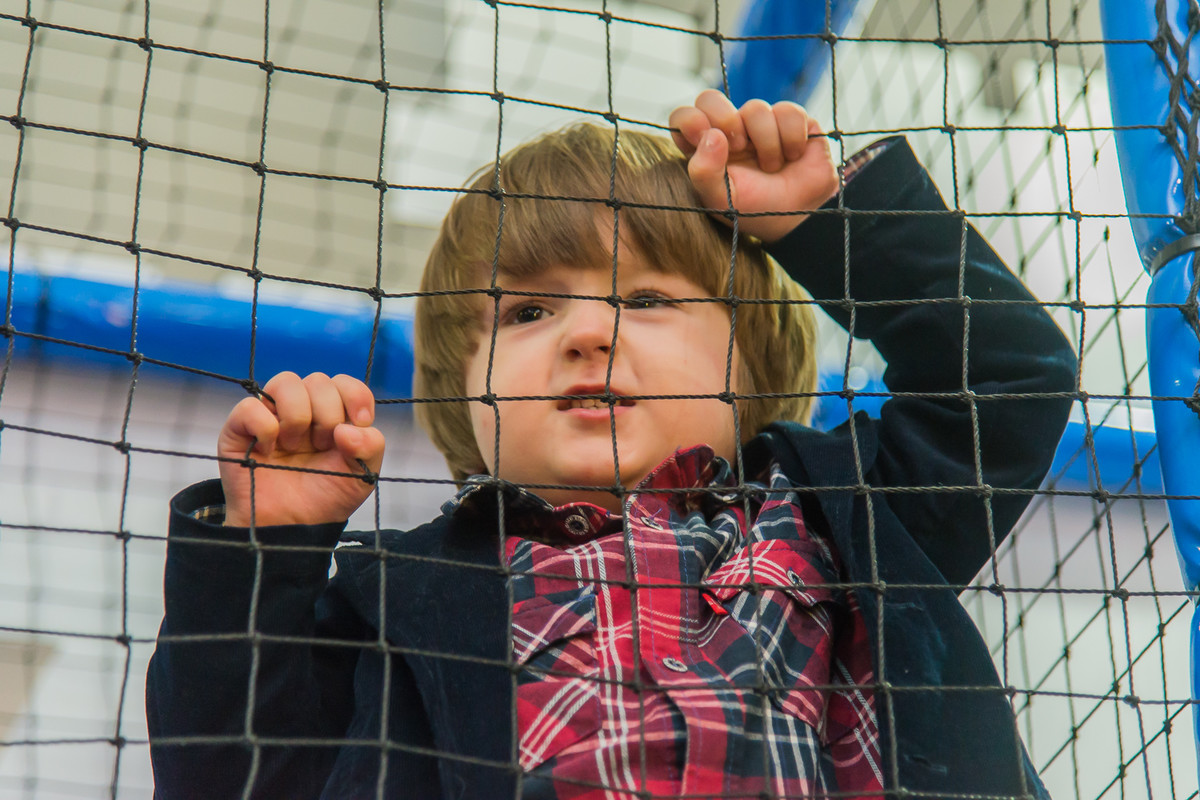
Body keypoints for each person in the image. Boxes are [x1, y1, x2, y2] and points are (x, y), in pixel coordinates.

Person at [146, 90, 1075, 799]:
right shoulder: (388, 594)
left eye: (647, 300)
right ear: (465, 394)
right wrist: (263, 546)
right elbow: (232, 777)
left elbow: (1007, 376)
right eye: (528, 311)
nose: (586, 336)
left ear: (749, 365)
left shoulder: (848, 512)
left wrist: (820, 225)